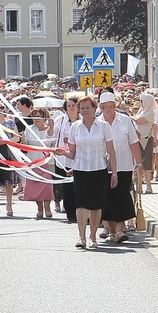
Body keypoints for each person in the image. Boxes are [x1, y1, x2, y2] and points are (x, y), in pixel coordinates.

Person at [61, 95, 117, 249]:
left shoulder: (104, 126)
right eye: (82, 108)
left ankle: (93, 236)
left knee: (96, 205)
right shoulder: (75, 127)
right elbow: (72, 153)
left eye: (88, 107)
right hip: (80, 169)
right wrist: (63, 152)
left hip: (99, 169)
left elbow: (111, 151)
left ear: (94, 109)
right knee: (81, 204)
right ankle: (81, 236)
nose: (85, 110)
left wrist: (114, 173)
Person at [99, 92, 141, 243]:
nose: (109, 109)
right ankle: (111, 230)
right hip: (104, 166)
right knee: (107, 198)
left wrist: (139, 163)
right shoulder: (98, 122)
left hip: (124, 165)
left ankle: (120, 229)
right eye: (106, 107)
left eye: (111, 106)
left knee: (121, 196)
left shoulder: (125, 120)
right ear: (101, 108)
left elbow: (134, 142)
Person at [23, 107, 55, 218]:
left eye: (39, 116)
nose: (36, 119)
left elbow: (51, 141)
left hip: (46, 162)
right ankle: (40, 209)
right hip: (33, 162)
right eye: (34, 116)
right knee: (35, 186)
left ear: (44, 117)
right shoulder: (29, 129)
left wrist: (51, 127)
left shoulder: (49, 129)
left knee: (47, 186)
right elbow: (26, 144)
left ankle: (47, 208)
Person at [53, 96, 79, 222]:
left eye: (74, 105)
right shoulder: (60, 120)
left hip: (80, 160)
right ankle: (71, 214)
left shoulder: (83, 120)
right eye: (69, 106)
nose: (72, 108)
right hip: (65, 160)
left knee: (79, 188)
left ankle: (82, 213)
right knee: (67, 187)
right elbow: (53, 135)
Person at [132, 93, 156, 193]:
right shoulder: (142, 111)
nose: (141, 103)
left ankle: (149, 187)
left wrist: (129, 116)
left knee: (146, 165)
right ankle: (139, 187)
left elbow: (138, 121)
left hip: (146, 139)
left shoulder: (150, 113)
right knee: (138, 164)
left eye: (143, 101)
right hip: (138, 139)